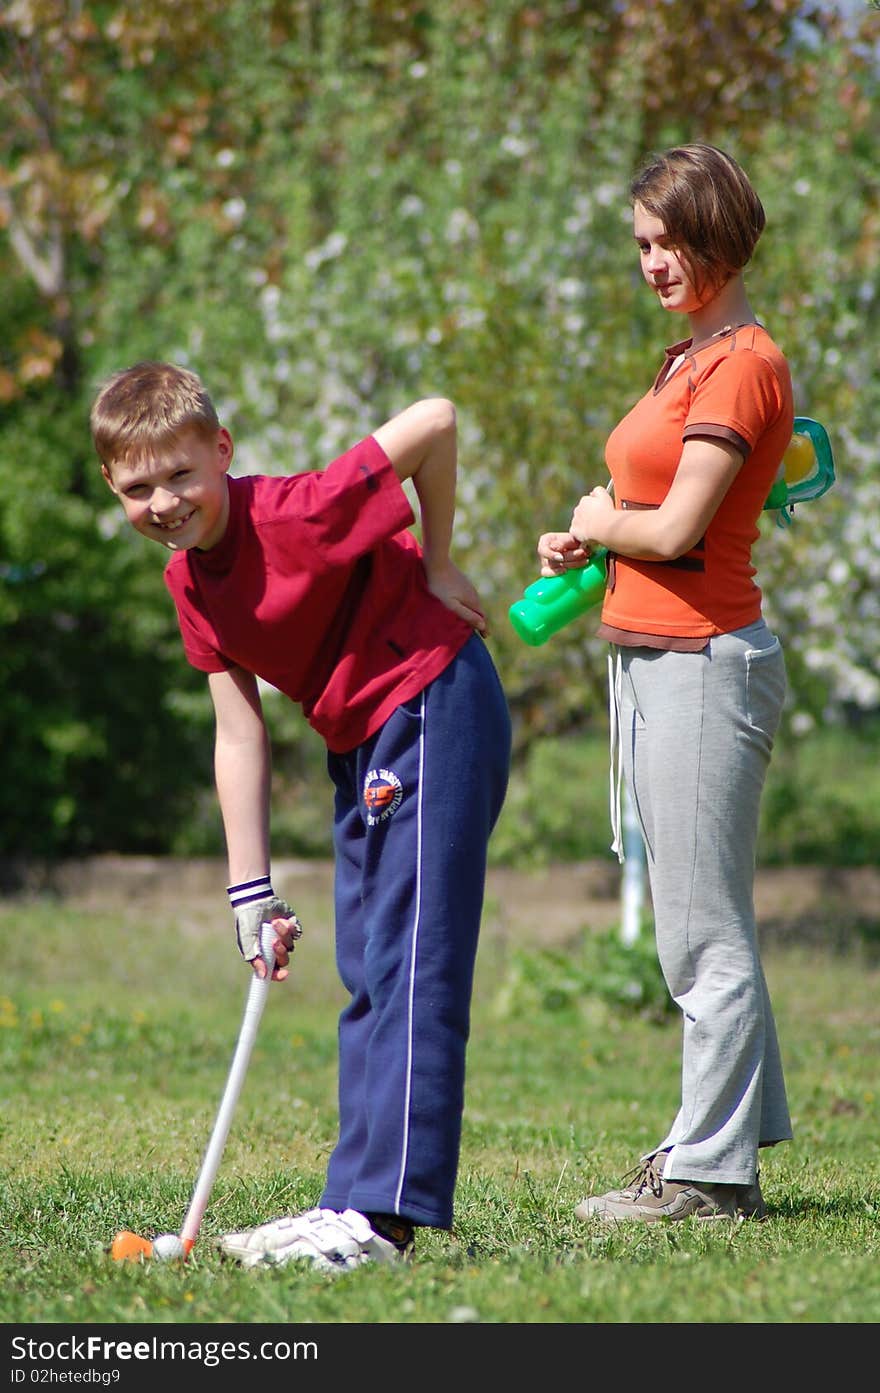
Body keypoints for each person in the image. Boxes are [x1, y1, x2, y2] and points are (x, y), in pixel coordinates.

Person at [91, 363, 511, 1269]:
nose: (164, 501)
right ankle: (351, 1205)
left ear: (222, 453)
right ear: (111, 488)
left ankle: (385, 1221)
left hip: (430, 697)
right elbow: (237, 733)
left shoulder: (298, 514)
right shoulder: (192, 585)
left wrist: (437, 564)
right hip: (361, 734)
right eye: (138, 487)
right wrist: (252, 892)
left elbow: (435, 418)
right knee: (369, 964)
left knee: (410, 959)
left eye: (180, 475)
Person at [536, 144, 793, 1222]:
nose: (654, 262)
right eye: (642, 244)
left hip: (700, 662)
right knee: (701, 916)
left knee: (700, 931)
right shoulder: (686, 358)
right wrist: (591, 544)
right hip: (654, 656)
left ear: (720, 232)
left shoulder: (740, 362)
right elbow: (663, 524)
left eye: (671, 240)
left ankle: (707, 1176)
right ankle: (729, 1141)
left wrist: (611, 523)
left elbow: (684, 528)